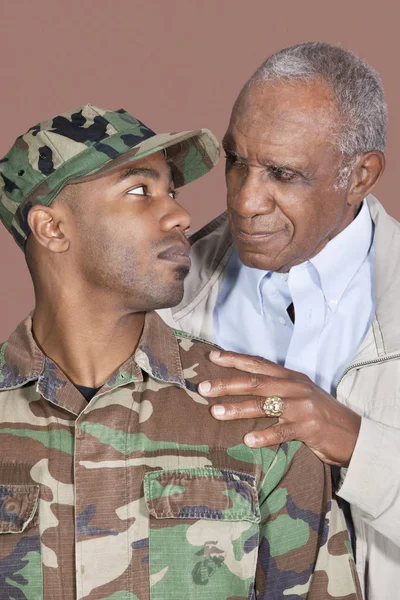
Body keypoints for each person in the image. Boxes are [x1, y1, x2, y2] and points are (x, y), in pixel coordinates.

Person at [0, 104, 360, 599]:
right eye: (139, 191)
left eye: (171, 191)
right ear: (52, 228)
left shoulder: (255, 412)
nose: (180, 214)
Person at [159, 42, 398, 600]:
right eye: (236, 161)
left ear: (361, 176)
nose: (245, 200)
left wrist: (355, 442)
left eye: (282, 174)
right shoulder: (161, 300)